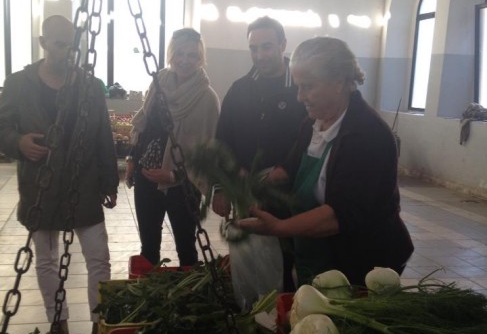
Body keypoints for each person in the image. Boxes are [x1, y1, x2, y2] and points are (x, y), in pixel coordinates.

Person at [238, 36, 414, 287]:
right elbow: (290, 168)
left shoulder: (366, 136)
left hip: (362, 261)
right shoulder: (313, 122)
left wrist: (279, 227)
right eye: (298, 86)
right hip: (318, 251)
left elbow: (339, 216)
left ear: (339, 82)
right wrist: (256, 186)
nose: (300, 97)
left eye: (308, 86)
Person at [0, 15, 119, 334]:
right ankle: (59, 323)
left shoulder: (90, 86)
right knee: (46, 260)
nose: (67, 52)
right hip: (41, 187)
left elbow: (102, 137)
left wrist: (110, 182)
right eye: (59, 44)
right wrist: (19, 143)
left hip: (84, 184)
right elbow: (3, 127)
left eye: (72, 45)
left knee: (99, 258)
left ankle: (100, 323)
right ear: (43, 43)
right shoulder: (18, 84)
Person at [212, 16, 307, 291]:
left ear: (283, 44)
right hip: (247, 194)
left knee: (290, 259)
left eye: (267, 47)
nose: (260, 55)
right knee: (251, 258)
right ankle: (253, 312)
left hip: (293, 193)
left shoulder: (300, 88)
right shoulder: (240, 89)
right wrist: (220, 187)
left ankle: (283, 315)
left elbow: (311, 138)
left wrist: (285, 170)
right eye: (254, 48)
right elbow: (222, 141)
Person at [126, 27, 220, 267]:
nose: (185, 61)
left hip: (183, 184)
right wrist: (132, 159)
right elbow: (145, 125)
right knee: (148, 246)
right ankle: (151, 297)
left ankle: (187, 300)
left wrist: (173, 174)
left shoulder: (207, 97)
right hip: (146, 176)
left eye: (192, 55)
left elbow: (207, 151)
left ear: (200, 58)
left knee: (186, 246)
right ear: (171, 55)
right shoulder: (159, 83)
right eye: (180, 54)